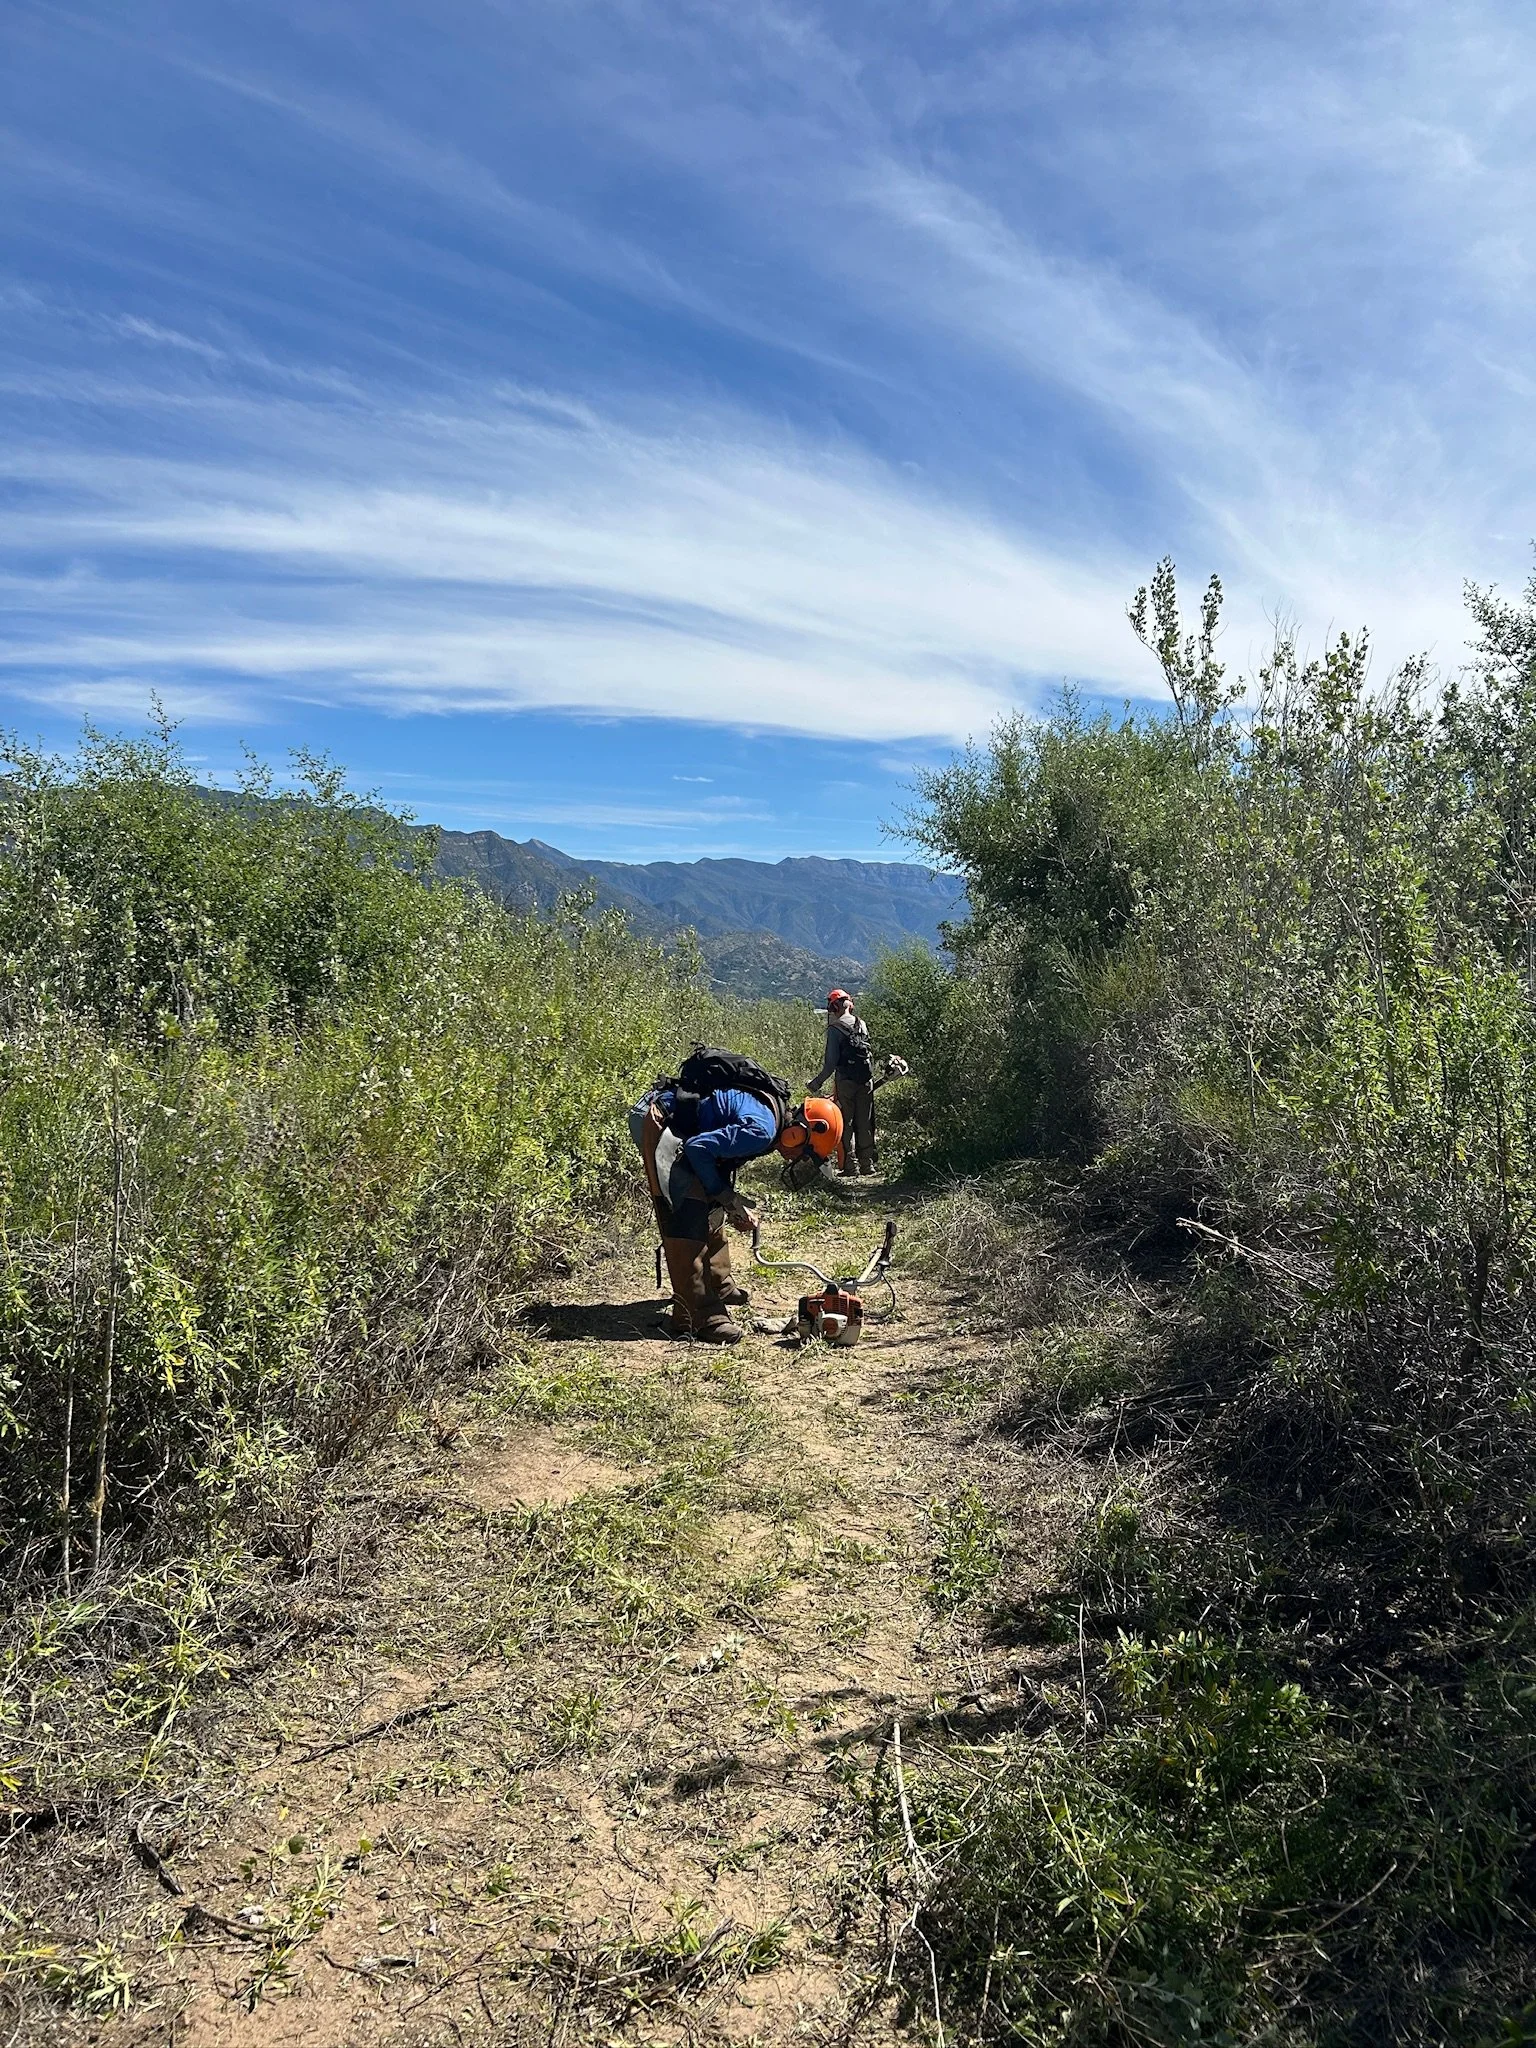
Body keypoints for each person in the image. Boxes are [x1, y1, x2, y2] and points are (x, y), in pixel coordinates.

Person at [631, 1064, 843, 1344]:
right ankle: (697, 1316)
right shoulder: (763, 1130)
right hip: (663, 1122)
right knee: (687, 1213)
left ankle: (719, 1285)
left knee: (711, 1203)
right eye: (804, 1154)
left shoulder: (772, 1120)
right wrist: (728, 1196)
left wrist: (726, 1200)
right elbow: (697, 1149)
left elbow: (713, 1153)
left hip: (685, 1129)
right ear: (798, 1134)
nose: (795, 1159)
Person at [808, 988, 879, 1176]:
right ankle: (867, 1164)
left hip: (845, 1082)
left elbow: (830, 1064)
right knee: (864, 1121)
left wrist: (816, 1083)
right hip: (866, 1080)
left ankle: (849, 1165)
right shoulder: (862, 1024)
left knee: (844, 1122)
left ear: (835, 1006)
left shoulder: (835, 1029)